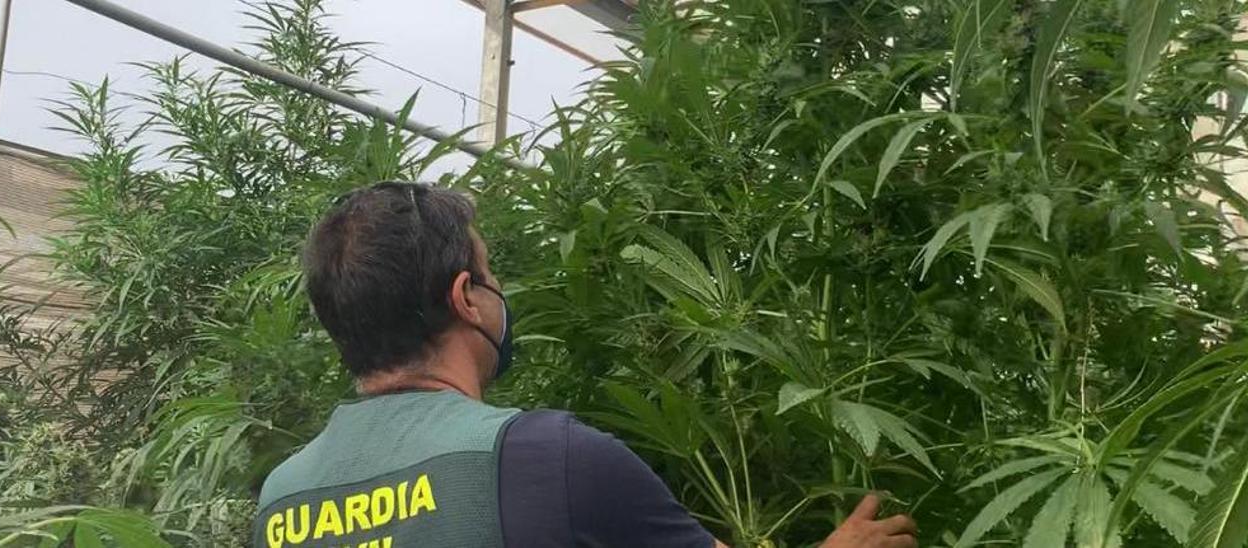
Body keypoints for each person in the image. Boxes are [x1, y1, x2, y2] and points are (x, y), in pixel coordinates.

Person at [252, 181, 918, 548]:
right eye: (490, 275)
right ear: (466, 300)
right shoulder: (547, 458)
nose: (497, 290)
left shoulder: (281, 499)